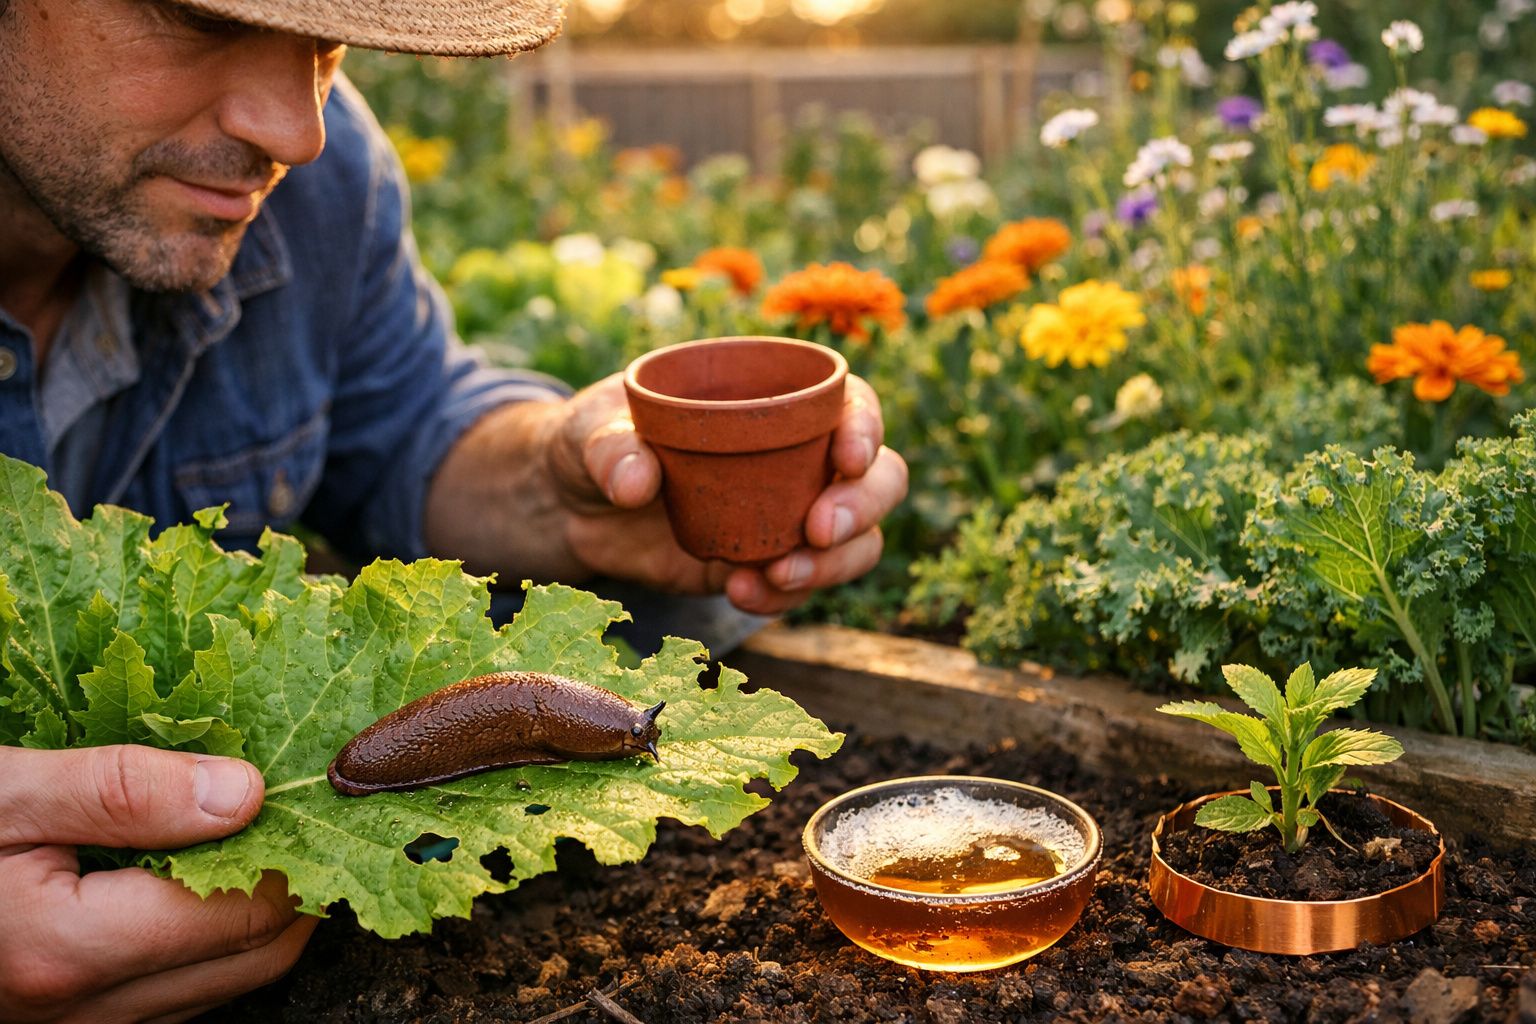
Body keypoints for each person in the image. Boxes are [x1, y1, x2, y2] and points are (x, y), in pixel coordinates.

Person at [0, 0, 909, 1017]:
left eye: (328, 42)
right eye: (200, 22)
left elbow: (406, 422)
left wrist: (559, 488)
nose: (297, 130)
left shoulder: (324, 180)